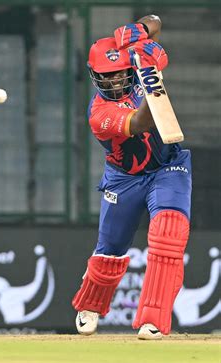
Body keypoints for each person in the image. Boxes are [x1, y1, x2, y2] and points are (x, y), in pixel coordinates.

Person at [72, 15, 191, 340]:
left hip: (169, 166)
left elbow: (155, 21)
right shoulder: (100, 115)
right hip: (125, 178)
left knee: (169, 235)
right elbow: (142, 123)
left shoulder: (133, 63)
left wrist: (139, 33)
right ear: (94, 76)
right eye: (105, 78)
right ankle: (91, 305)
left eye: (118, 76)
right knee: (111, 248)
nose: (112, 83)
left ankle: (153, 319)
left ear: (126, 69)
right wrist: (153, 76)